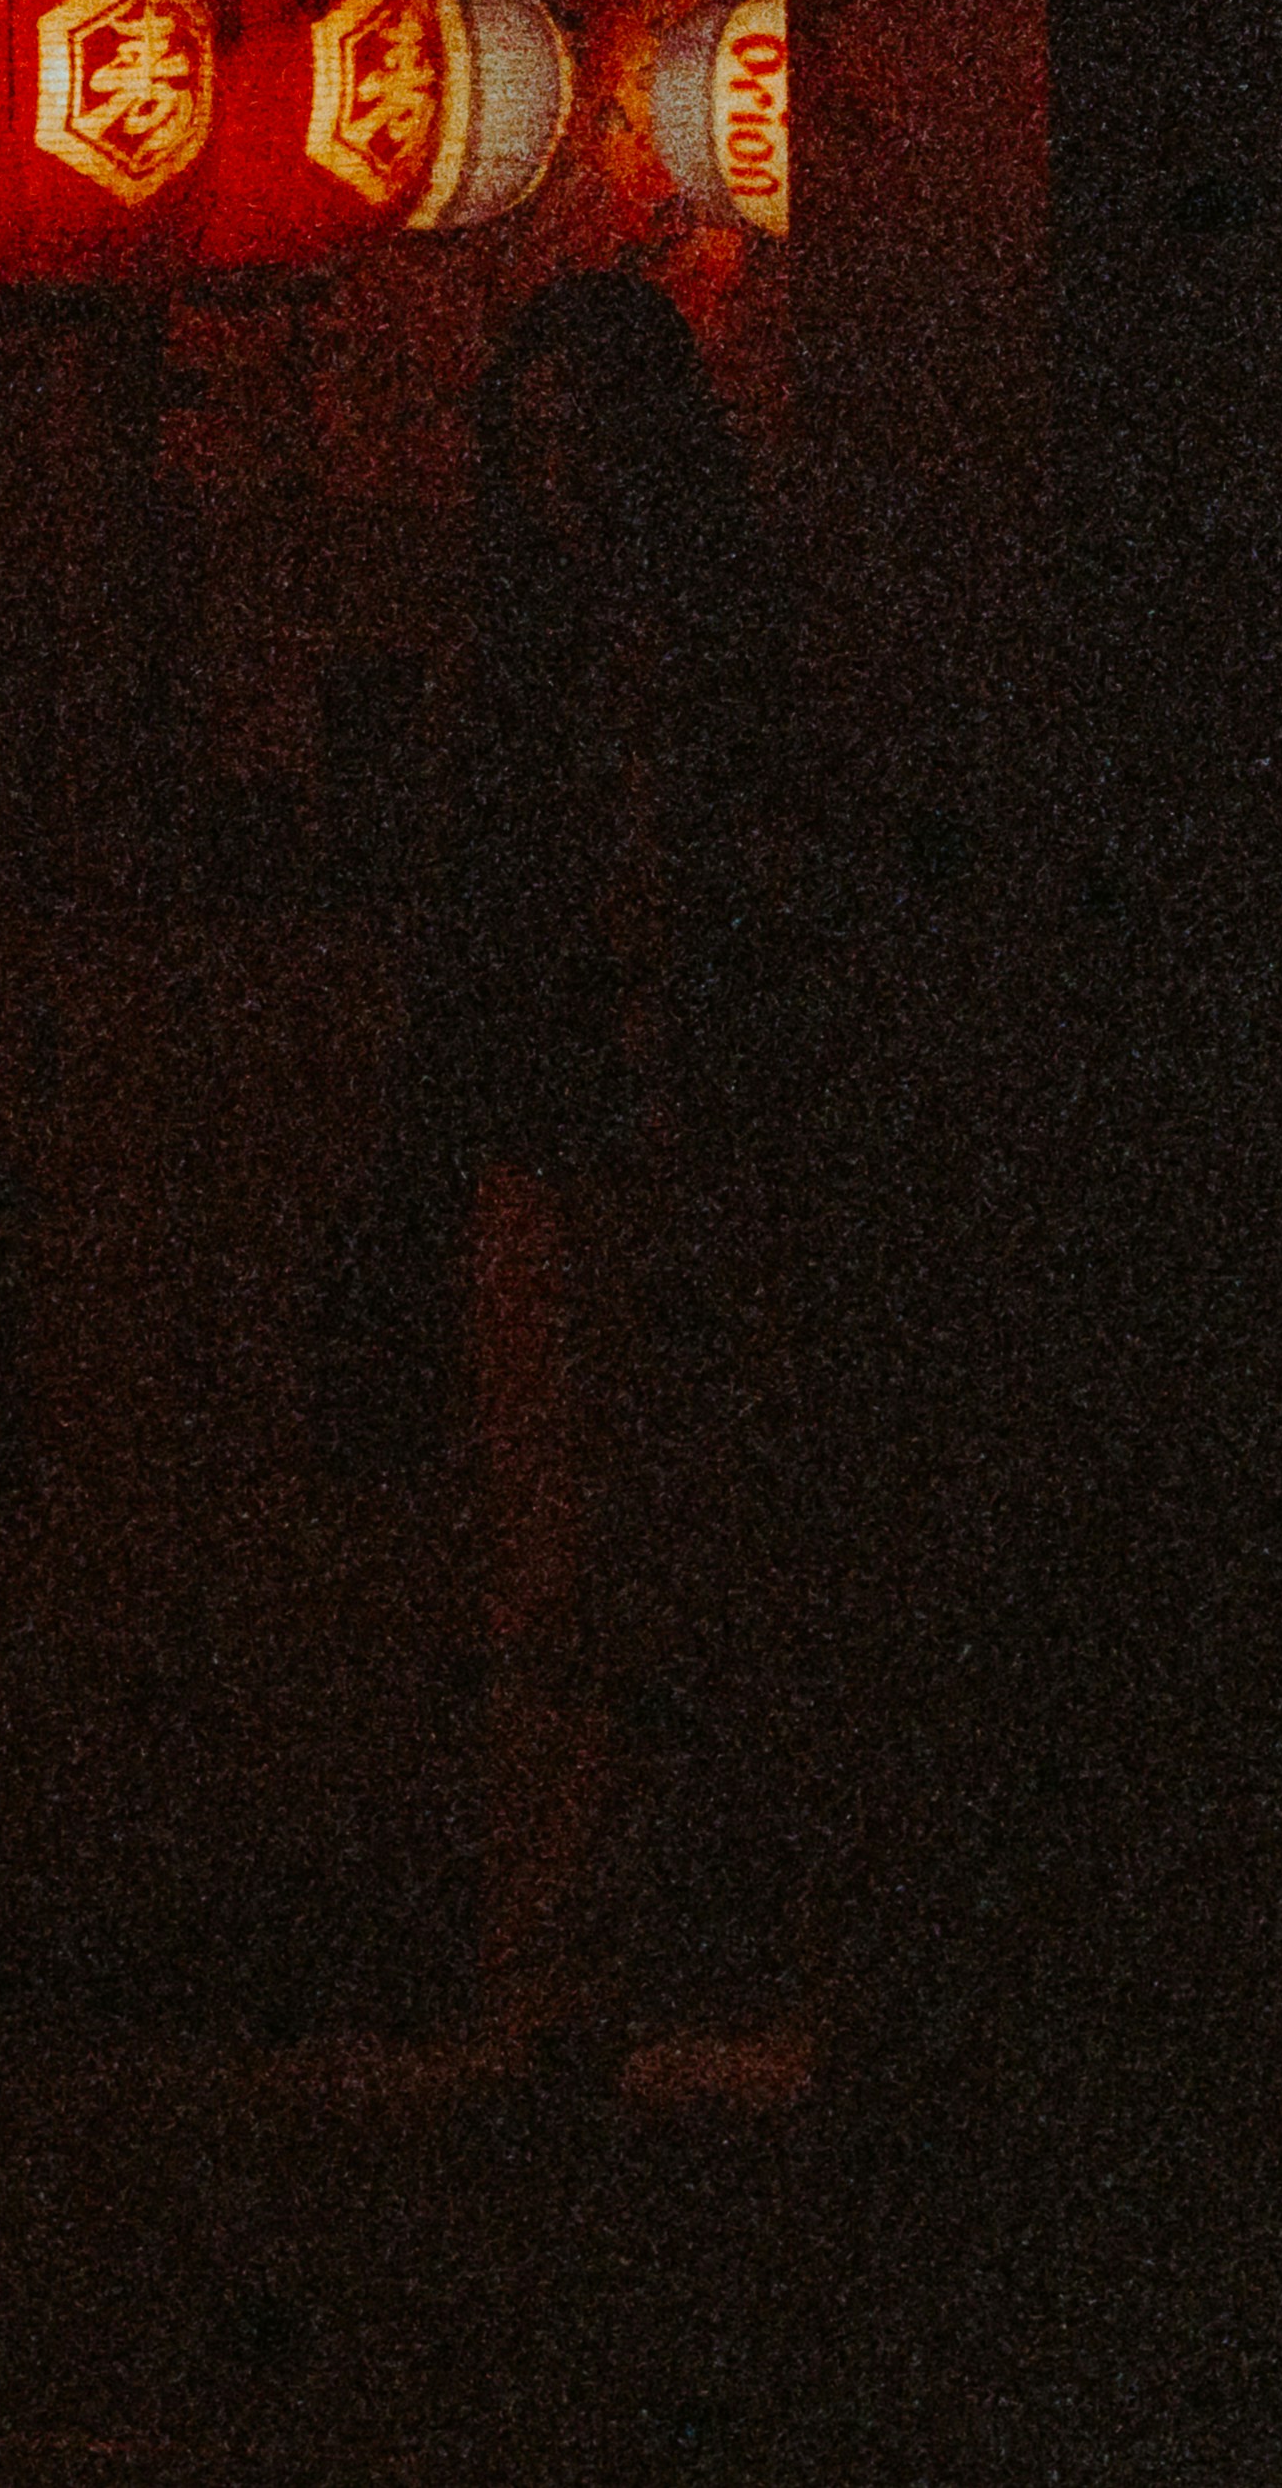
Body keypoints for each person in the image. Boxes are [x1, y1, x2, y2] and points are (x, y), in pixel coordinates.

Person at [436, 267, 823, 2091]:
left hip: (680, 1129)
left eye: (591, 437)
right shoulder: (549, 664)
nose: (567, 474)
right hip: (595, 1131)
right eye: (544, 442)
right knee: (580, 1556)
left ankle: (640, 1949)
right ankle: (578, 1963)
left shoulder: (697, 653)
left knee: (678, 1544)